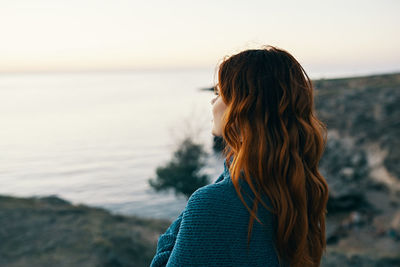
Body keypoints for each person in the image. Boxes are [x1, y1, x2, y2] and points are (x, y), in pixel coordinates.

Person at [150, 45, 329, 267]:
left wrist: (167, 242)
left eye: (219, 93)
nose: (212, 101)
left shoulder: (211, 205)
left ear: (243, 109)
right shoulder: (297, 186)